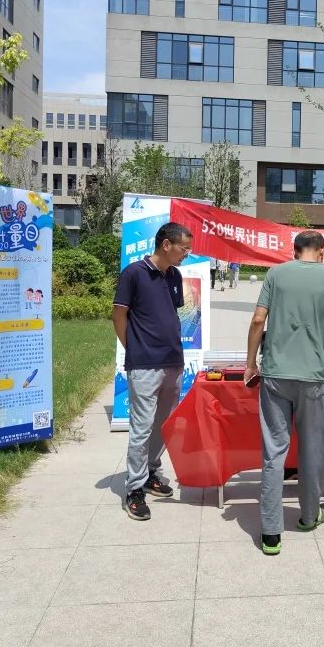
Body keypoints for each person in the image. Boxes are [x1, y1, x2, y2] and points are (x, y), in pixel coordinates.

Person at [245, 231, 324, 556]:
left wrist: (250, 364)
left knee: (273, 453)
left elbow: (258, 320)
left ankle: (271, 533)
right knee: (313, 449)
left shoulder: (275, 274)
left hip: (275, 374)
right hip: (313, 377)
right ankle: (308, 515)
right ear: (321, 252)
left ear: (294, 251)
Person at [113, 221, 193, 521]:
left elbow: (170, 314)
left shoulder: (174, 275)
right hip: (144, 363)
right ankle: (134, 489)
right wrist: (133, 346)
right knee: (142, 427)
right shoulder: (134, 273)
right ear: (166, 245)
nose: (186, 254)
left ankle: (149, 472)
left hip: (173, 361)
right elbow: (119, 314)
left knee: (164, 424)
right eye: (184, 248)